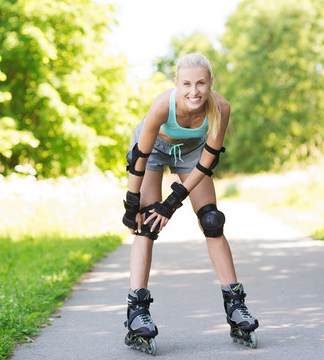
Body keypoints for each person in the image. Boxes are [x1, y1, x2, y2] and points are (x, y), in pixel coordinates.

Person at [122, 53, 259, 354]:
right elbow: (139, 159)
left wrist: (173, 201)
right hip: (154, 149)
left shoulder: (221, 108)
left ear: (211, 83)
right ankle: (137, 312)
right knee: (146, 223)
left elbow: (207, 162)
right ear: (176, 84)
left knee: (212, 221)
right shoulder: (162, 105)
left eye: (200, 83)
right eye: (186, 84)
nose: (193, 91)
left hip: (194, 152)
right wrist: (132, 205)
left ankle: (236, 305)